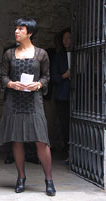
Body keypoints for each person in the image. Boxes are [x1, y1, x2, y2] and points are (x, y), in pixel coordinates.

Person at [0, 17, 56, 196]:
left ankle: (49, 179)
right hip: (14, 100)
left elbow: (47, 76)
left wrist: (38, 85)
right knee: (17, 139)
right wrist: (11, 84)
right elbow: (2, 76)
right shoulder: (9, 54)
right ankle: (21, 177)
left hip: (34, 101)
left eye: (21, 29)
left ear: (30, 33)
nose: (16, 31)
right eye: (16, 28)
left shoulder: (41, 54)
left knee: (41, 140)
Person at [51, 27, 71, 165]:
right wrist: (65, 75)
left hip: (79, 95)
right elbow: (53, 77)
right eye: (64, 38)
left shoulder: (81, 53)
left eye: (68, 38)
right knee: (65, 124)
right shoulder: (59, 56)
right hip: (63, 94)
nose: (65, 41)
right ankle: (68, 151)